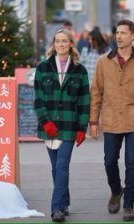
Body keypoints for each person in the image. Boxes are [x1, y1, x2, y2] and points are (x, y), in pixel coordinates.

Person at [89, 19, 134, 221]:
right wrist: (93, 121)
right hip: (110, 120)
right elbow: (96, 93)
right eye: (117, 32)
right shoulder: (103, 61)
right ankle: (116, 190)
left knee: (132, 163)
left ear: (133, 36)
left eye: (123, 33)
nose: (118, 36)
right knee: (109, 161)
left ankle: (129, 205)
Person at [34, 28, 90, 222]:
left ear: (71, 44)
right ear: (53, 44)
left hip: (69, 126)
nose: (61, 44)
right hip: (49, 126)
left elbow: (84, 102)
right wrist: (45, 121)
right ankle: (64, 201)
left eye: (65, 41)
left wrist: (82, 129)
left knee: (62, 166)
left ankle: (56, 209)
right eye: (57, 41)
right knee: (55, 168)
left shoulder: (80, 70)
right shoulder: (43, 68)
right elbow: (38, 99)